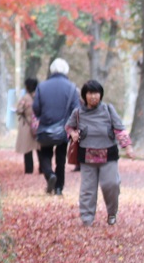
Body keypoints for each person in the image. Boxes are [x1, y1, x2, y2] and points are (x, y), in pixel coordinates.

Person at [66, 80, 134, 226]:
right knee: (87, 190)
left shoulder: (108, 110)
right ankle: (87, 218)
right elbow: (68, 127)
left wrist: (127, 146)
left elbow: (119, 129)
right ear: (85, 95)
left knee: (111, 184)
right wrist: (73, 134)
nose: (93, 96)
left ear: (101, 95)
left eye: (96, 93)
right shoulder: (78, 113)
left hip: (108, 155)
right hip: (87, 155)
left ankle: (112, 212)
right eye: (90, 93)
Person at [33, 58, 80, 195]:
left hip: (45, 127)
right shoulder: (71, 87)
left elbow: (36, 108)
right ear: (66, 70)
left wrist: (44, 116)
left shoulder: (42, 86)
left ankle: (49, 174)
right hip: (63, 130)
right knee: (61, 159)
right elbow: (76, 109)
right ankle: (59, 188)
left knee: (45, 155)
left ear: (52, 70)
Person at [15, 78, 39, 174]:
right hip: (38, 125)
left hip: (27, 125)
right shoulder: (39, 97)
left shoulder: (25, 98)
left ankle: (29, 169)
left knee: (27, 149)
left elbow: (19, 110)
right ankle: (43, 168)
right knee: (39, 148)